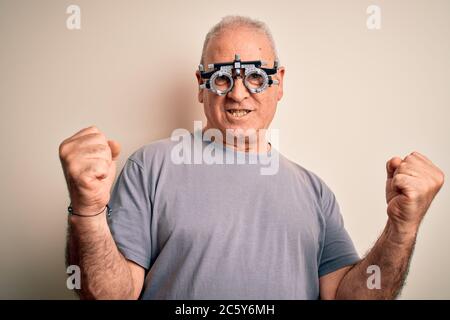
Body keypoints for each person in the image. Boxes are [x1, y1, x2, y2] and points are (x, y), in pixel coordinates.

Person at [59, 16, 444, 299]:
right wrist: (88, 211)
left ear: (279, 84)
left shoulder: (314, 192)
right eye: (223, 77)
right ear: (201, 85)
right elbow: (110, 297)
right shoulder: (150, 167)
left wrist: (403, 228)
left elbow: (350, 298)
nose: (239, 94)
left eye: (256, 77)